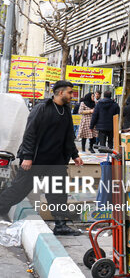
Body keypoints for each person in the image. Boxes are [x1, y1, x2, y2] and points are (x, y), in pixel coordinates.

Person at [0, 80, 83, 235]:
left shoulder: (65, 111)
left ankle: (60, 225)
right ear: (60, 92)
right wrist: (28, 156)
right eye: (70, 92)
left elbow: (68, 137)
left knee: (58, 192)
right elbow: (30, 134)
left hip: (56, 161)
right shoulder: (42, 109)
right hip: (36, 160)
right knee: (18, 190)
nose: (72, 95)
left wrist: (75, 155)